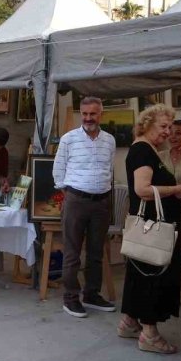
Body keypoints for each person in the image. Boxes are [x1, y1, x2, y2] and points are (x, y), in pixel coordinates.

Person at [119, 104, 181, 354]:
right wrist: (176, 189)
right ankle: (149, 334)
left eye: (170, 127)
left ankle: (129, 321)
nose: (168, 132)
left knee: (140, 273)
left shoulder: (146, 150)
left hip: (148, 227)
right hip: (153, 230)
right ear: (146, 125)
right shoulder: (142, 151)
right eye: (163, 126)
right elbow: (142, 190)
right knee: (152, 275)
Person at [52, 96, 117, 318]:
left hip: (101, 202)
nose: (88, 118)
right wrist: (70, 195)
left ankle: (91, 294)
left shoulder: (109, 140)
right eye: (85, 114)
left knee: (96, 253)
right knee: (72, 253)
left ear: (101, 114)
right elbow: (58, 171)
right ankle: (70, 299)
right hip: (76, 201)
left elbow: (109, 168)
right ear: (81, 114)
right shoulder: (68, 139)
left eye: (93, 114)